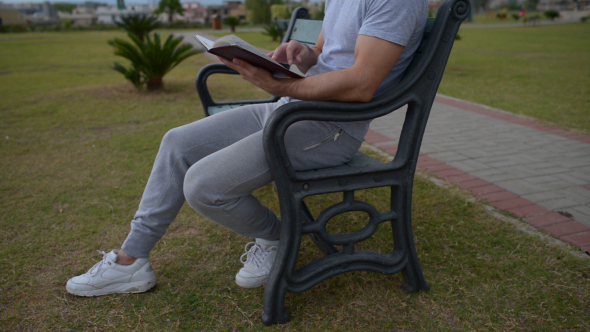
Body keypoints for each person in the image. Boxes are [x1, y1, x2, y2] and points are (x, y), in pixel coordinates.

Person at [66, 0, 428, 297]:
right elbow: (325, 53)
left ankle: (279, 237)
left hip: (331, 128)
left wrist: (280, 86)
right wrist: (300, 54)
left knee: (204, 186)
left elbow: (363, 83)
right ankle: (131, 262)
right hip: (289, 112)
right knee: (177, 142)